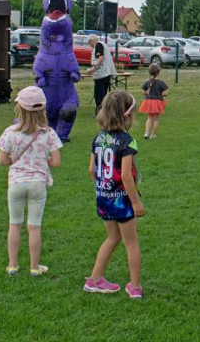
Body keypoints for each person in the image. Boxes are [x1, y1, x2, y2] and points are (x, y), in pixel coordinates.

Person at [0, 86, 62, 277]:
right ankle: (34, 267)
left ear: (19, 109)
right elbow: (56, 162)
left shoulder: (10, 132)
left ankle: (13, 265)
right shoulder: (49, 133)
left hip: (16, 183)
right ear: (43, 110)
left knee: (14, 224)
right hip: (37, 184)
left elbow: (2, 160)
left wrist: (14, 161)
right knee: (34, 226)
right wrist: (42, 161)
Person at [84, 91, 144, 299]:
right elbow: (126, 176)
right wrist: (135, 202)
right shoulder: (127, 141)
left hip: (104, 198)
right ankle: (134, 286)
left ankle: (94, 279)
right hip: (121, 200)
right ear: (126, 116)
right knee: (131, 242)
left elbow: (92, 170)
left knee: (112, 238)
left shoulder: (97, 138)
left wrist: (103, 188)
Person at [85, 34, 118, 115]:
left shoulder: (98, 45)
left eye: (90, 44)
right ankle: (104, 111)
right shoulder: (104, 45)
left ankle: (100, 112)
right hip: (106, 73)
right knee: (103, 94)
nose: (90, 46)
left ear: (92, 41)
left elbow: (101, 57)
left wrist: (93, 68)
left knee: (99, 95)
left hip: (101, 74)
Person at [139, 63, 168, 140]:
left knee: (149, 118)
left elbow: (143, 92)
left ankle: (146, 133)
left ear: (149, 72)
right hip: (157, 102)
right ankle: (152, 135)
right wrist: (161, 94)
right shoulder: (161, 82)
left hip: (148, 102)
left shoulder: (147, 82)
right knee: (156, 119)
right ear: (158, 72)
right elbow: (166, 93)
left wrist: (147, 92)